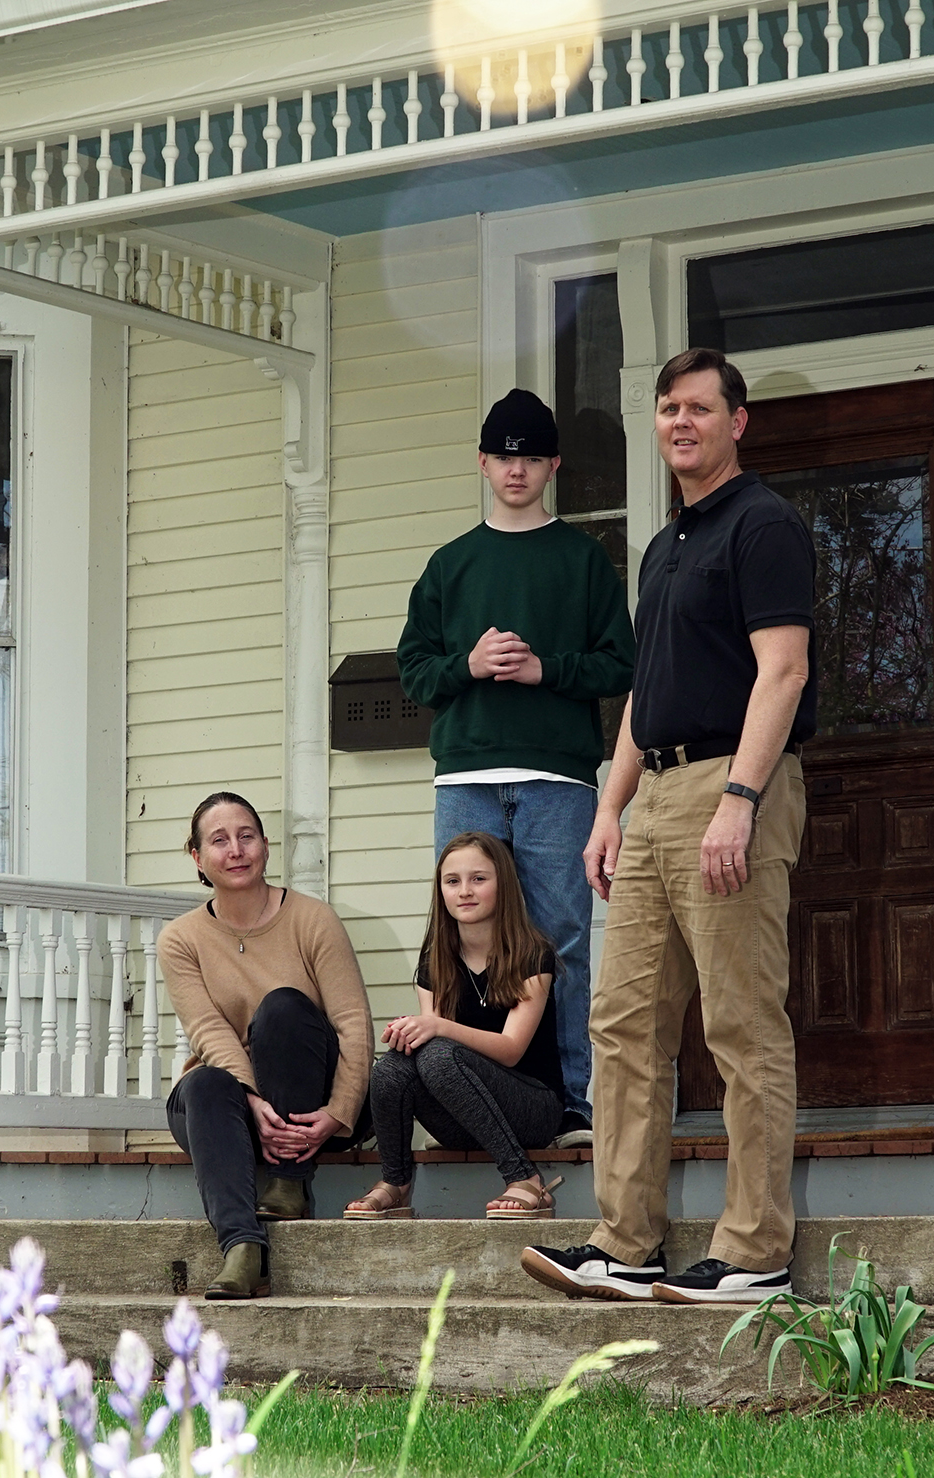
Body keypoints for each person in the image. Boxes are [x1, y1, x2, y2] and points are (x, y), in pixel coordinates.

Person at [522, 346, 816, 1306]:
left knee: (738, 1023)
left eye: (698, 407)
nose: (679, 422)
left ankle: (755, 1251)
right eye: (665, 410)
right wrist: (611, 807)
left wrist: (740, 797)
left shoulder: (763, 526)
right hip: (654, 798)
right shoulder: (664, 545)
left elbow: (782, 673)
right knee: (623, 1023)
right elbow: (647, 696)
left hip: (731, 788)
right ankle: (625, 1242)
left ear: (737, 421)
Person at [396, 388, 636, 1148]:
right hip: (464, 772)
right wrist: (466, 664)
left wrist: (546, 670)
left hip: (557, 774)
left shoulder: (581, 558)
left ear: (553, 465)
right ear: (481, 462)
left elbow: (619, 664)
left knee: (559, 934)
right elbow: (412, 672)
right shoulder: (449, 564)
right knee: (457, 932)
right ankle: (454, 1090)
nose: (516, 470)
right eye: (504, 456)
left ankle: (567, 1101)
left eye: (531, 457)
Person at [159, 791, 374, 1299]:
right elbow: (209, 1033)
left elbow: (353, 1025)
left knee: (281, 1008)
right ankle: (242, 1249)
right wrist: (253, 1101)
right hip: (233, 1111)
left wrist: (340, 1113)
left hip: (313, 1106)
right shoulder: (180, 939)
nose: (235, 849)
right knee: (205, 1080)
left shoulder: (313, 919)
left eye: (246, 836)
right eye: (219, 840)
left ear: (265, 846)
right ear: (197, 857)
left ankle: (289, 1180)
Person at [344, 832, 568, 1222]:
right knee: (394, 1065)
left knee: (438, 1052)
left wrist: (438, 1027)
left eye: (479, 878)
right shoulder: (435, 963)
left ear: (504, 885)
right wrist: (410, 1034)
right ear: (441, 891)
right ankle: (395, 1183)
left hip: (532, 1109)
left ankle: (526, 1178)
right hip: (463, 1118)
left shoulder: (533, 954)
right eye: (453, 881)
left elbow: (511, 1048)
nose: (464, 891)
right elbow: (430, 1047)